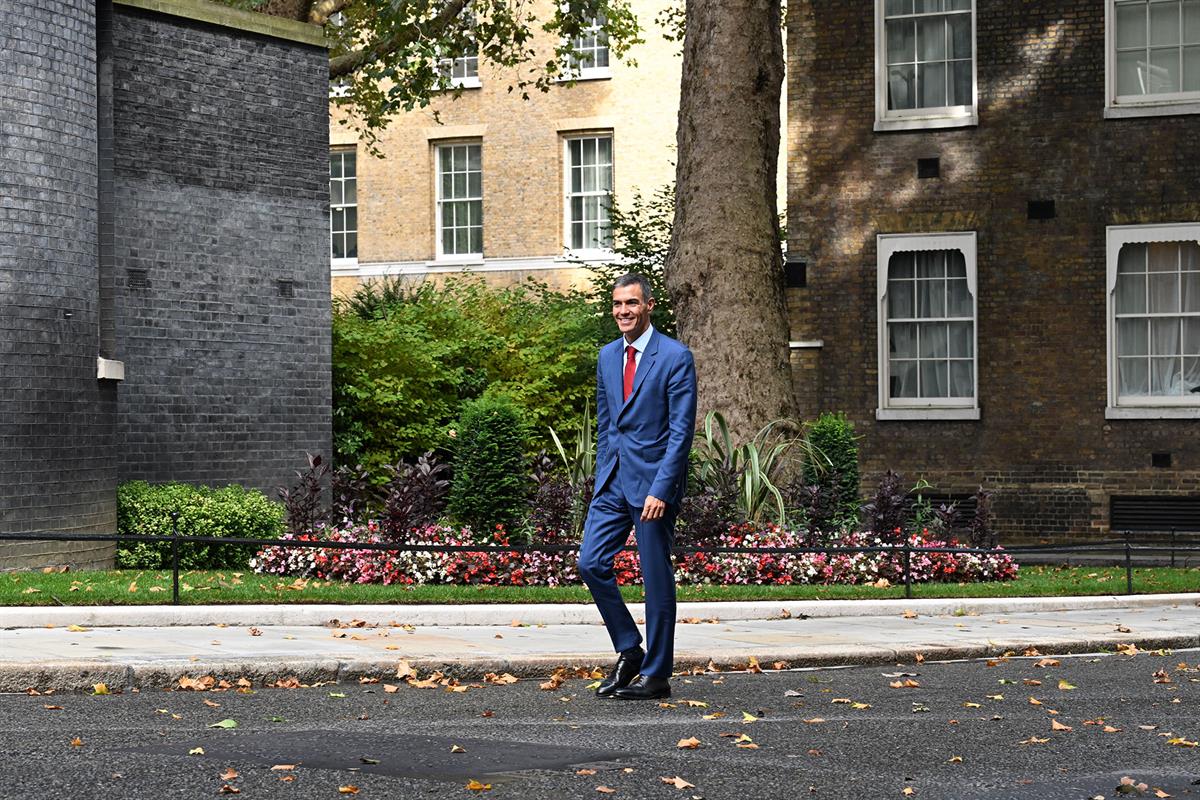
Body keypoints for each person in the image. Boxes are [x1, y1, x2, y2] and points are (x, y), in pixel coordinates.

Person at [578, 273, 697, 700]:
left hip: (653, 488)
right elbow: (608, 423)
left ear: (648, 306)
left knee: (655, 577)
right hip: (613, 483)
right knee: (590, 563)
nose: (622, 311)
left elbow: (681, 433)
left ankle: (657, 674)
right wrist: (601, 476)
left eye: (631, 303)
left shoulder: (675, 357)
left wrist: (661, 490)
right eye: (616, 304)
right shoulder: (607, 356)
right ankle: (630, 649)